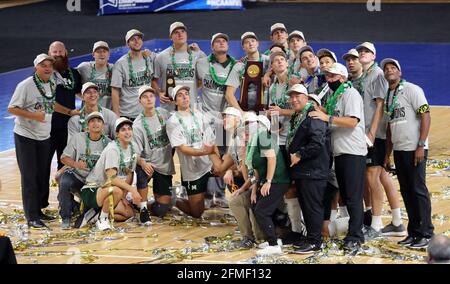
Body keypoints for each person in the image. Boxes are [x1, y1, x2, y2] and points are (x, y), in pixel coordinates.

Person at [309, 63, 367, 252]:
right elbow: (334, 114)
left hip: (352, 152)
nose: (329, 79)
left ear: (342, 78)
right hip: (341, 151)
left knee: (352, 197)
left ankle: (356, 236)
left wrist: (327, 118)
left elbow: (352, 121)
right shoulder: (337, 95)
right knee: (347, 195)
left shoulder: (350, 94)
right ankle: (354, 232)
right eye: (327, 76)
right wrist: (322, 111)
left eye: (333, 76)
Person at [382, 58, 434, 249]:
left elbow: (425, 115)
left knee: (418, 190)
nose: (389, 71)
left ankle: (427, 232)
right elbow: (389, 127)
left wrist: (421, 145)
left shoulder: (412, 89)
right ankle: (414, 232)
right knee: (406, 191)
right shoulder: (388, 95)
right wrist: (388, 153)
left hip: (415, 149)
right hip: (400, 150)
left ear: (400, 72)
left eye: (392, 67)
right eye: (386, 69)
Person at [356, 42, 405, 239]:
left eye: (366, 51)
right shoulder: (365, 76)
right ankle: (397, 221)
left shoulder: (376, 75)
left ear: (374, 55)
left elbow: (379, 105)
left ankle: (376, 225)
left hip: (375, 135)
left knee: (371, 177)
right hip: (371, 133)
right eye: (360, 51)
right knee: (383, 177)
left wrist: (372, 133)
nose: (362, 54)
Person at [8, 54, 57, 229]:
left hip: (44, 136)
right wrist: (33, 116)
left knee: (41, 175)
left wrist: (68, 112)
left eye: (50, 65)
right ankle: (31, 217)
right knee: (29, 176)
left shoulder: (51, 83)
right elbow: (12, 108)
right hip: (25, 136)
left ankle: (38, 210)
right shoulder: (26, 85)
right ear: (36, 67)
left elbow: (50, 104)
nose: (47, 68)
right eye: (43, 65)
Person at [209, 109, 266, 248]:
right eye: (223, 118)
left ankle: (257, 234)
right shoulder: (234, 136)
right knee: (235, 197)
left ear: (237, 119)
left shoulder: (245, 137)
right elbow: (228, 165)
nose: (224, 121)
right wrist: (230, 170)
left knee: (243, 200)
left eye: (227, 117)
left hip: (258, 182)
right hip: (250, 181)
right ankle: (248, 234)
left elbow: (244, 168)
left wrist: (209, 150)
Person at [287, 84, 330, 254]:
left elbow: (317, 143)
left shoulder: (313, 116)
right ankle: (310, 237)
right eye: (292, 97)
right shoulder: (299, 116)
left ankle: (315, 241)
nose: (294, 99)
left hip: (313, 170)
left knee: (312, 206)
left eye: (298, 96)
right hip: (305, 171)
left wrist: (299, 154)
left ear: (306, 98)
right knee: (306, 205)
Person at [80, 117, 142, 231]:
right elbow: (112, 178)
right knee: (116, 190)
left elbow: (129, 173)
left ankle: (96, 214)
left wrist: (123, 196)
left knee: (129, 214)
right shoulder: (113, 149)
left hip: (112, 190)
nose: (127, 132)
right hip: (93, 189)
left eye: (129, 129)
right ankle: (102, 219)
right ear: (117, 134)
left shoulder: (133, 147)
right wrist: (133, 190)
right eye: (123, 130)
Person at [166, 86, 215, 218]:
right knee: (196, 213)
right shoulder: (173, 122)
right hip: (192, 171)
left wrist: (214, 157)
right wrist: (204, 152)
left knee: (226, 168)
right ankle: (173, 199)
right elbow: (183, 149)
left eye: (186, 94)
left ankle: (219, 195)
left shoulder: (198, 115)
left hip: (207, 166)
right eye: (180, 95)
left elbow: (210, 138)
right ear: (175, 101)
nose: (184, 97)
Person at [46, 41, 82, 215]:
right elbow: (49, 102)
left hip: (68, 130)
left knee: (66, 167)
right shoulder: (44, 75)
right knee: (43, 167)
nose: (58, 54)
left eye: (60, 51)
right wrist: (69, 111)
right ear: (49, 53)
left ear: (66, 52)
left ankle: (67, 204)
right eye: (54, 52)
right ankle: (40, 204)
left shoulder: (74, 74)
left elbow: (81, 92)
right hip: (47, 130)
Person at [59, 111, 111, 229]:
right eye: (92, 121)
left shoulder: (109, 144)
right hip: (78, 177)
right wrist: (76, 164)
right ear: (87, 125)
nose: (95, 124)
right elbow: (63, 158)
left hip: (94, 183)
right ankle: (66, 217)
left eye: (98, 121)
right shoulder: (78, 138)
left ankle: (83, 209)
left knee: (88, 212)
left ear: (103, 125)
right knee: (64, 181)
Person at [248, 115, 291, 256]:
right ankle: (273, 238)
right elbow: (256, 169)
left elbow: (271, 159)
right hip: (268, 180)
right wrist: (254, 190)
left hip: (278, 179)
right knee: (256, 205)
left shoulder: (263, 137)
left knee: (262, 210)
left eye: (253, 123)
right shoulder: (253, 142)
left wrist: (268, 182)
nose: (248, 126)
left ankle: (274, 244)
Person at [133, 85, 175, 219]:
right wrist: (143, 163)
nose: (149, 99)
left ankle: (144, 203)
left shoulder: (164, 114)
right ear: (140, 101)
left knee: (162, 210)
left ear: (155, 98)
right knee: (140, 172)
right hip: (147, 165)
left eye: (151, 96)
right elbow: (135, 153)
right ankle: (140, 205)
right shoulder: (137, 125)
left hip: (163, 166)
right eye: (145, 97)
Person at [153, 22, 206, 112]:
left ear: (186, 34)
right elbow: (154, 80)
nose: (180, 34)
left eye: (182, 31)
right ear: (170, 37)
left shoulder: (198, 54)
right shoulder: (161, 57)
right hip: (169, 109)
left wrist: (192, 88)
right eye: (176, 32)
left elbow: (204, 77)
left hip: (191, 108)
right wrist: (160, 93)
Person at [111, 29, 154, 120]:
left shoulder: (150, 57)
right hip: (128, 114)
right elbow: (115, 90)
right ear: (127, 44)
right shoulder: (120, 64)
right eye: (133, 39)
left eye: (138, 38)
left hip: (147, 112)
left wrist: (190, 48)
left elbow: (169, 56)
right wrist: (116, 116)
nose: (136, 41)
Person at [225, 31, 270, 112]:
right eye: (246, 42)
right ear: (243, 47)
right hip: (246, 110)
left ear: (258, 43)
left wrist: (268, 73)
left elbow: (282, 67)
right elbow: (229, 94)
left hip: (267, 110)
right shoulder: (239, 66)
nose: (250, 44)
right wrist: (241, 113)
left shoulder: (268, 61)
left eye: (253, 41)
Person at [77, 41, 114, 109]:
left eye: (104, 51)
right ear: (93, 54)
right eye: (98, 52)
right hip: (88, 112)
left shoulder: (114, 69)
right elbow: (72, 79)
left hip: (108, 112)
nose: (101, 54)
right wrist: (81, 96)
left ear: (109, 54)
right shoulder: (84, 67)